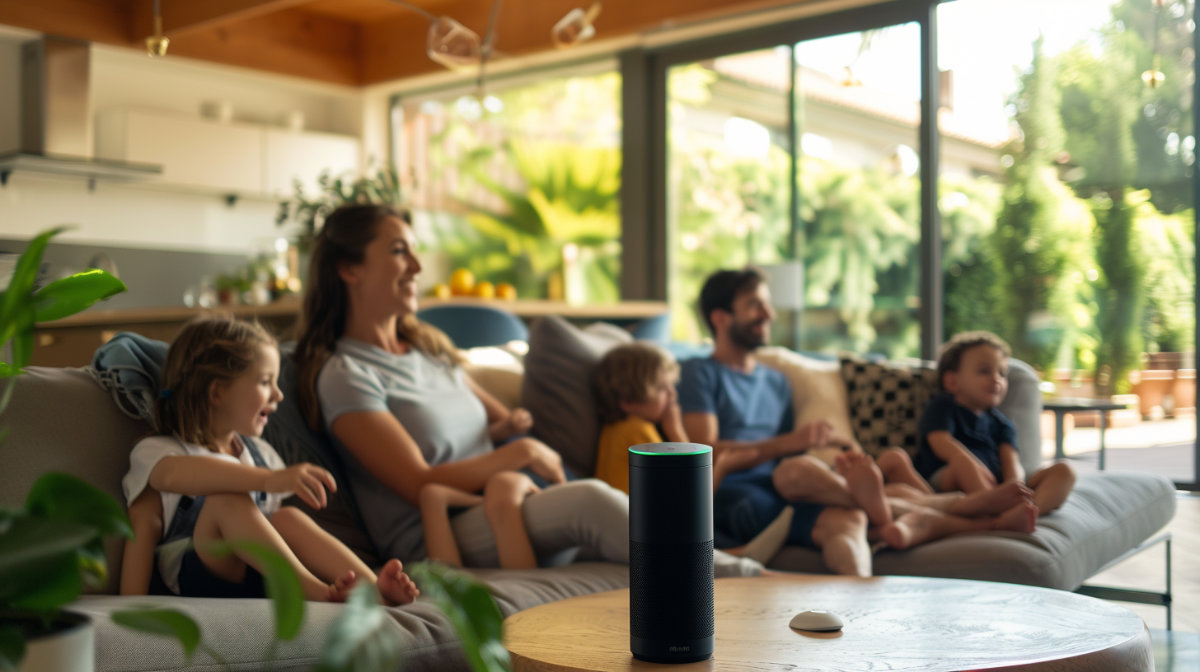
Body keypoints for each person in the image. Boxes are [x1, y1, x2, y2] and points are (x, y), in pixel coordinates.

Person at [292, 204, 761, 576]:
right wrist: (514, 456)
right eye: (399, 251)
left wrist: (512, 440)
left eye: (414, 251)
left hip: (503, 502)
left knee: (609, 512)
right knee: (590, 502)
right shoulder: (345, 374)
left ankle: (721, 560)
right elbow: (417, 484)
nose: (417, 265)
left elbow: (498, 423)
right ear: (348, 269)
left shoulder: (426, 351)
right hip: (441, 530)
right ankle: (742, 575)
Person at [678, 268, 1038, 577]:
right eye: (755, 304)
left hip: (788, 484)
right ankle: (956, 508)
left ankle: (861, 612)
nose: (769, 313)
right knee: (794, 469)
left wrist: (828, 446)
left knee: (848, 518)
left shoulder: (776, 381)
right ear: (721, 317)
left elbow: (787, 449)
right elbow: (704, 451)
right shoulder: (700, 373)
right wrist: (790, 443)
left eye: (767, 303)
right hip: (736, 492)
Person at [119, 316, 419, 605]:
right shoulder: (158, 451)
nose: (278, 394)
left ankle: (373, 589)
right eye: (265, 382)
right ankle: (318, 593)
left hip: (261, 576)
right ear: (217, 392)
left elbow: (279, 536)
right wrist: (129, 609)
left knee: (287, 517)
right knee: (226, 500)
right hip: (200, 574)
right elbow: (163, 491)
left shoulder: (261, 454)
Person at [591, 341, 793, 563]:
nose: (673, 395)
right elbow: (688, 491)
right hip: (641, 529)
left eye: (671, 385)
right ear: (628, 402)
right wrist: (717, 462)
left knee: (710, 532)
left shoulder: (620, 429)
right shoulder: (637, 432)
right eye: (662, 389)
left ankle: (732, 554)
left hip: (639, 525)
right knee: (693, 515)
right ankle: (735, 558)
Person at [915, 331, 1076, 516]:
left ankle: (1028, 511)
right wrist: (976, 468)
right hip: (947, 480)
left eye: (1002, 373)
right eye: (985, 371)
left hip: (997, 486)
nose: (996, 379)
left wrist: (1014, 488)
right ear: (952, 381)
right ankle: (996, 509)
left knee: (1064, 470)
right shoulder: (943, 406)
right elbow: (941, 443)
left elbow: (1011, 462)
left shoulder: (1002, 424)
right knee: (962, 462)